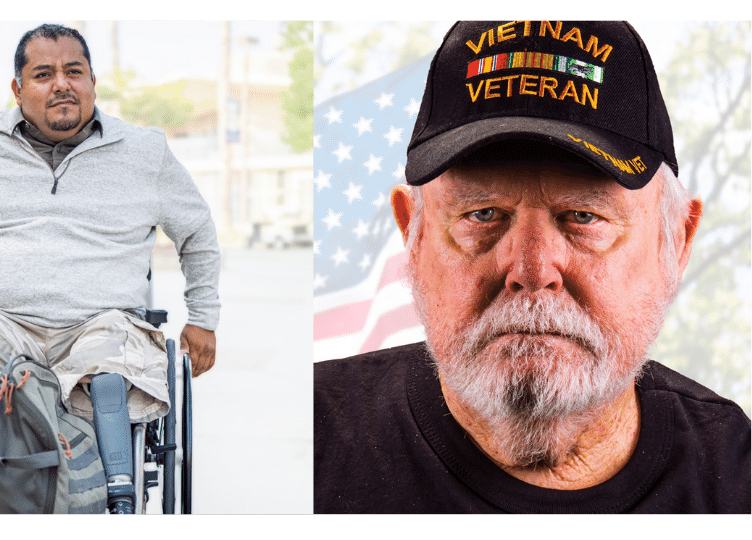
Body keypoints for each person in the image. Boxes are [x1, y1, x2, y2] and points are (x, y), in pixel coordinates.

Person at [314, 21, 750, 513]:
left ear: (677, 242)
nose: (531, 268)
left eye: (585, 217)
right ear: (410, 233)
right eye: (482, 215)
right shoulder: (308, 438)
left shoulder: (737, 475)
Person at [0, 23, 220, 513]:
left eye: (74, 71)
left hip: (101, 321)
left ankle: (117, 493)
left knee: (111, 367)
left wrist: (204, 317)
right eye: (43, 74)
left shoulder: (144, 152)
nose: (61, 84)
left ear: (92, 82)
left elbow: (197, 234)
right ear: (18, 89)